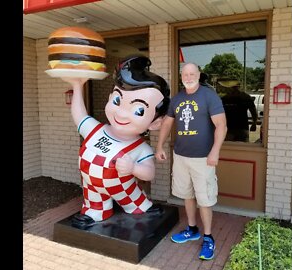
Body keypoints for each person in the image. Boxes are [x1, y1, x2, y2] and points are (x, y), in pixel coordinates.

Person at [60, 55, 170, 229]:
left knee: (135, 203)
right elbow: (79, 115)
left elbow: (149, 173)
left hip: (124, 189)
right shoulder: (96, 129)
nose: (121, 113)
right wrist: (77, 86)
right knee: (95, 206)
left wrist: (133, 168)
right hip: (92, 187)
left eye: (139, 110)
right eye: (117, 100)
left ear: (155, 123)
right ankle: (95, 210)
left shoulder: (140, 148)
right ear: (110, 96)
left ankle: (141, 205)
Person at [155, 63, 227, 260]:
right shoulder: (177, 99)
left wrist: (215, 151)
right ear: (181, 76)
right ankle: (192, 229)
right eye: (185, 74)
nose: (188, 77)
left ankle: (208, 237)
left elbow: (221, 125)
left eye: (192, 73)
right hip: (181, 156)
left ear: (198, 75)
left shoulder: (208, 95)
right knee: (187, 195)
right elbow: (167, 122)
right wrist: (160, 146)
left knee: (204, 199)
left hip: (203, 158)